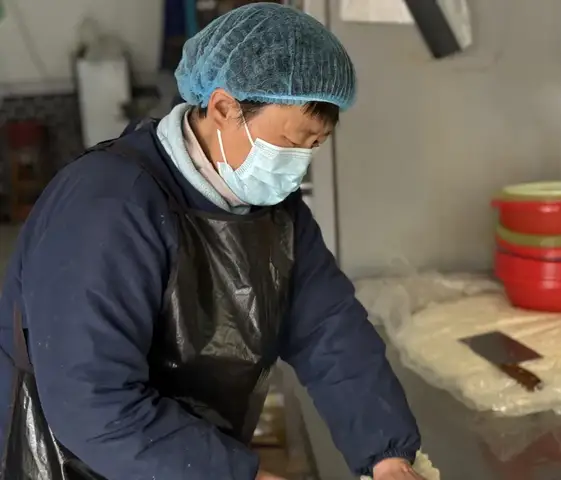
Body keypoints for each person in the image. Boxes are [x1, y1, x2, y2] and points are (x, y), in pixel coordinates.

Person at [0, 3, 424, 479]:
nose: (299, 165)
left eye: (314, 146)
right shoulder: (109, 204)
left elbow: (329, 329)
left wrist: (386, 455)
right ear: (224, 108)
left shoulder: (272, 209)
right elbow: (92, 401)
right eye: (289, 143)